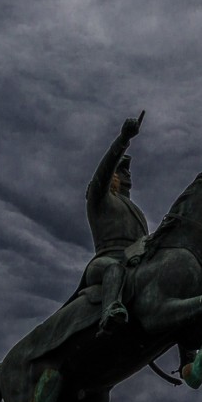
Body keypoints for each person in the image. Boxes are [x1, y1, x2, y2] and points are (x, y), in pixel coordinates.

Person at [84, 111, 149, 335]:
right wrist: (123, 140)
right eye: (122, 172)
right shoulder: (99, 199)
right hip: (105, 262)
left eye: (129, 173)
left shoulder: (136, 211)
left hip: (134, 262)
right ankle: (110, 310)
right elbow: (104, 169)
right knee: (114, 268)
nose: (128, 177)